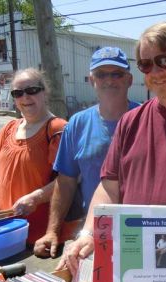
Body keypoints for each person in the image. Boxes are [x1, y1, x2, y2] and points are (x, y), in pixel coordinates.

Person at [56, 22, 166, 276]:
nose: (155, 71)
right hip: (137, 261)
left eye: (163, 60)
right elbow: (109, 186)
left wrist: (147, 242)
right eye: (145, 64)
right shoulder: (130, 121)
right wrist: (89, 232)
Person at [33, 47, 138, 257]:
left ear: (129, 79)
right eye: (101, 74)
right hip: (93, 233)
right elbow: (66, 182)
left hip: (139, 230)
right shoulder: (77, 124)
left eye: (116, 73)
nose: (109, 80)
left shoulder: (147, 119)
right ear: (91, 80)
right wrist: (52, 231)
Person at [0, 68, 67, 245]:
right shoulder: (9, 128)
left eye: (32, 90)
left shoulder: (57, 129)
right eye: (18, 93)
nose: (25, 97)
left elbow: (68, 180)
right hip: (3, 230)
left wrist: (35, 198)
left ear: (44, 92)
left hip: (38, 236)